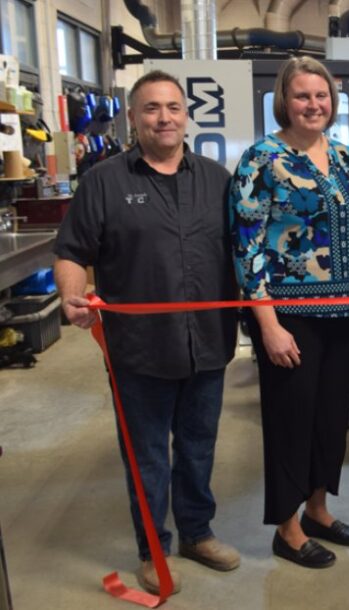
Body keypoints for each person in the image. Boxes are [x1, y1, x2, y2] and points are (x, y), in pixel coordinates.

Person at [54, 70, 240, 596]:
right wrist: (72, 295)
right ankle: (152, 547)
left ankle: (197, 533)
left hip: (206, 341)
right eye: (152, 108)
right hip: (138, 349)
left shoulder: (216, 180)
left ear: (186, 115)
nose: (165, 118)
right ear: (133, 118)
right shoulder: (104, 182)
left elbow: (241, 255)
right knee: (147, 454)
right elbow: (72, 251)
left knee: (199, 446)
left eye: (174, 108)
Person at [230, 56, 349, 569]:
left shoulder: (340, 156)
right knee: (291, 419)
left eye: (321, 95)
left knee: (330, 419)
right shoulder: (262, 158)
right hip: (289, 315)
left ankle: (318, 509)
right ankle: (287, 528)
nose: (313, 105)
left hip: (343, 310)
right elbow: (247, 246)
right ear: (284, 102)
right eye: (302, 96)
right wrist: (266, 324)